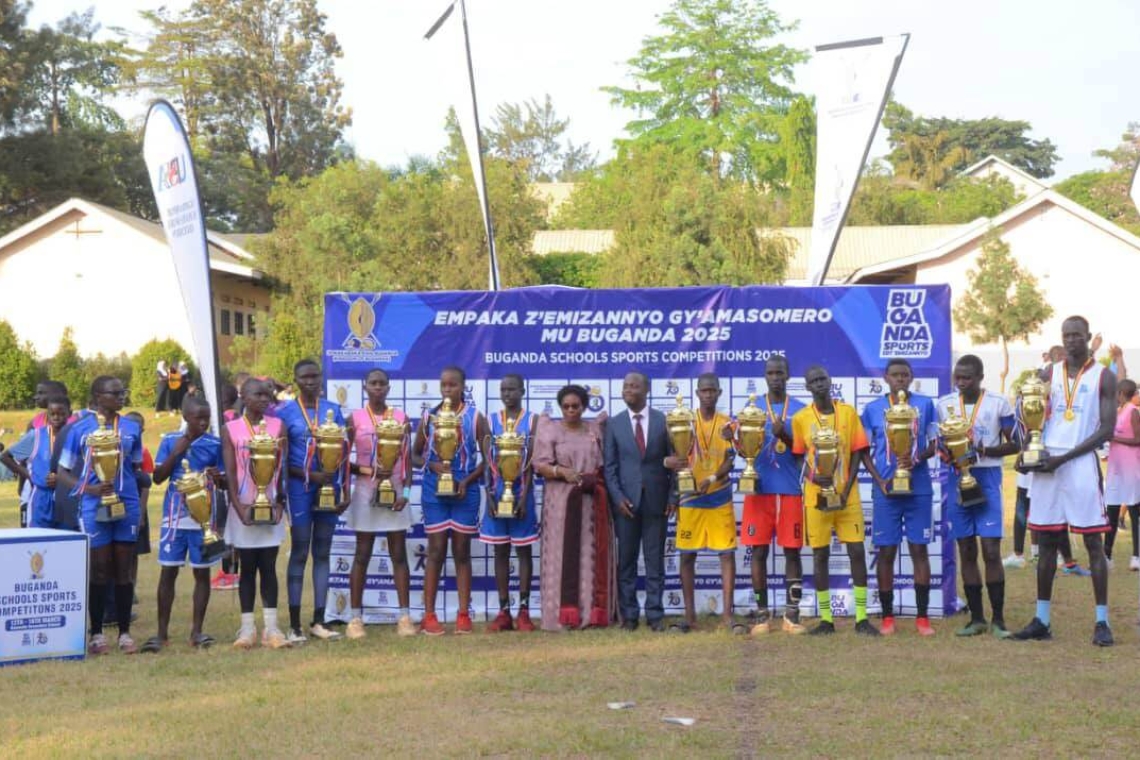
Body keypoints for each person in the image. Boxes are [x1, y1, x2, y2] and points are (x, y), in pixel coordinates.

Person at [1014, 315, 1116, 646]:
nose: (1071, 339)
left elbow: (1106, 430)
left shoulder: (1103, 376)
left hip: (1080, 463)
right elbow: (1033, 419)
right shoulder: (1049, 373)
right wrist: (1026, 451)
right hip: (1047, 463)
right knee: (1045, 543)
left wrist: (1065, 457)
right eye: (1066, 335)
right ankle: (1042, 619)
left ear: (1088, 336)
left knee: (1093, 544)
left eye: (1076, 334)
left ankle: (1102, 622)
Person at [57, 376, 144, 654]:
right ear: (97, 396)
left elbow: (137, 467)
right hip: (94, 506)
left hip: (126, 505)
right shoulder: (78, 429)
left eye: (122, 391)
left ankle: (124, 633)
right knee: (100, 569)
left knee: (123, 569)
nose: (121, 396)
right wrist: (89, 488)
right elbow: (62, 472)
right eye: (115, 393)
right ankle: (96, 634)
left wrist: (139, 506)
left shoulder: (131, 427)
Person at [792, 365, 879, 636]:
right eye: (813, 381)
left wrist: (845, 490)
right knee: (820, 555)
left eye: (822, 379)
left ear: (830, 381)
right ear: (807, 387)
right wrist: (813, 478)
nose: (819, 384)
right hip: (815, 498)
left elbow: (857, 454)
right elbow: (797, 456)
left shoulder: (848, 413)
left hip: (847, 497)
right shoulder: (801, 418)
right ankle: (826, 620)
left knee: (856, 552)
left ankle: (862, 618)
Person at [936, 355, 1018, 638]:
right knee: (967, 550)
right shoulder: (944, 405)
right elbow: (939, 443)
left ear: (981, 376)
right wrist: (948, 454)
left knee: (991, 551)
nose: (961, 382)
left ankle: (999, 619)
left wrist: (985, 451)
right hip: (957, 479)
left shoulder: (998, 402)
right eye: (957, 377)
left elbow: (1016, 443)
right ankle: (977, 618)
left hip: (987, 476)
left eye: (967, 377)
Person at [860, 358, 939, 636]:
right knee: (886, 551)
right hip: (886, 491)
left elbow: (934, 442)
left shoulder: (926, 405)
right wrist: (879, 480)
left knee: (919, 549)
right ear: (886, 378)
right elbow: (863, 450)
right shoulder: (872, 409)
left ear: (912, 377)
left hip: (918, 488)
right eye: (895, 375)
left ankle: (922, 617)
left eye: (905, 375)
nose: (901, 380)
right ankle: (888, 616)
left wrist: (915, 458)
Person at [141, 396, 226, 652]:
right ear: (186, 417)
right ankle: (161, 634)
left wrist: (217, 477)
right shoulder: (169, 441)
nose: (203, 422)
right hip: (175, 517)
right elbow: (157, 477)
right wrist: (177, 452)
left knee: (202, 573)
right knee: (168, 572)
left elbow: (225, 482)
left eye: (207, 417)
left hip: (203, 519)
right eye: (198, 417)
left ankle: (197, 632)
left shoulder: (214, 443)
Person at [413, 365, 488, 635]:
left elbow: (488, 459)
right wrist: (432, 467)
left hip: (465, 491)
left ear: (463, 387)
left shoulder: (476, 417)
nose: (447, 389)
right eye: (444, 385)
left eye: (453, 385)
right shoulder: (429, 417)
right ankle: (429, 615)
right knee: (435, 551)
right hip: (435, 491)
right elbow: (415, 455)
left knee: (461, 552)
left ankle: (463, 614)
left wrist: (466, 482)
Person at [278, 359, 348, 643]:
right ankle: (294, 625)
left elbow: (342, 453)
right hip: (300, 488)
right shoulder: (285, 413)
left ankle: (319, 620)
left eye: (314, 376)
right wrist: (309, 474)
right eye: (304, 377)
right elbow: (282, 458)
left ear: (321, 378)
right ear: (295, 381)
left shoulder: (334, 410)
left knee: (323, 552)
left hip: (329, 487)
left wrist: (343, 489)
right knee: (299, 551)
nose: (310, 382)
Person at [533, 384, 614, 630]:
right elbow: (539, 465)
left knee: (590, 554)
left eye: (575, 406)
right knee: (561, 555)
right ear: (560, 407)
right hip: (561, 504)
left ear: (584, 406)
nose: (571, 410)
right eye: (566, 406)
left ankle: (592, 614)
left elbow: (605, 464)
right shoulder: (550, 430)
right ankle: (561, 616)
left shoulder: (595, 429)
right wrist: (560, 471)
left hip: (593, 502)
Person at [344, 368, 416, 639]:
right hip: (365, 493)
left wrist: (406, 495)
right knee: (362, 554)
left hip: (395, 493)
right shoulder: (355, 418)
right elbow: (342, 461)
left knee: (399, 555)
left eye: (382, 383)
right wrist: (367, 470)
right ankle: (354, 619)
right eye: (372, 383)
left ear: (388, 387)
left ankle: (405, 617)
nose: (377, 387)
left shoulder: (401, 418)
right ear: (365, 387)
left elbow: (407, 462)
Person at [669, 373, 741, 633]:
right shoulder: (684, 421)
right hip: (690, 498)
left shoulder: (728, 424)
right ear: (697, 393)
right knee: (687, 555)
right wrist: (669, 463)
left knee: (727, 555)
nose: (708, 394)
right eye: (704, 390)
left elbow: (732, 460)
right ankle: (689, 618)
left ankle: (727, 617)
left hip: (719, 496)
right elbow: (673, 456)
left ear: (719, 393)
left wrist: (711, 477)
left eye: (713, 390)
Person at [222, 378, 290, 649]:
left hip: (270, 505)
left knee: (269, 567)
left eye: (268, 394)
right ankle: (247, 628)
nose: (264, 399)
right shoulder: (231, 429)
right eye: (258, 394)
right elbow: (229, 472)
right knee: (247, 568)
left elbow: (282, 469)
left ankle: (272, 629)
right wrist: (238, 509)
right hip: (243, 506)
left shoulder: (277, 426)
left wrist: (280, 505)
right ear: (243, 396)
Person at [604, 371, 675, 632]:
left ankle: (655, 614)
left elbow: (674, 464)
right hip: (626, 505)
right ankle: (630, 615)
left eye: (634, 386)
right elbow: (609, 467)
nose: (628, 390)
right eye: (625, 386)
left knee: (655, 562)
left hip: (657, 501)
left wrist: (673, 496)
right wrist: (618, 498)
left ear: (647, 390)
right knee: (627, 562)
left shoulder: (662, 421)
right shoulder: (614, 424)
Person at [740, 356, 806, 635]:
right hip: (759, 490)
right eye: (770, 373)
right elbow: (742, 451)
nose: (775, 377)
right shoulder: (751, 410)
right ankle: (762, 615)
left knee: (792, 551)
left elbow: (804, 452)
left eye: (780, 372)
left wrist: (786, 436)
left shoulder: (802, 411)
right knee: (758, 552)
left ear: (788, 374)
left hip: (790, 490)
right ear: (764, 376)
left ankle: (792, 615)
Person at [479, 374, 539, 633]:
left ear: (522, 391)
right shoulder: (491, 421)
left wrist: (524, 498)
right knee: (500, 551)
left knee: (523, 552)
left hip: (522, 495)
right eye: (504, 389)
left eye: (512, 389)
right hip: (496, 494)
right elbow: (486, 462)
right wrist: (490, 496)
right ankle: (503, 611)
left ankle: (524, 611)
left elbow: (532, 464)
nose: (507, 394)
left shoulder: (533, 420)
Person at [0, 394, 71, 528]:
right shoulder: (36, 436)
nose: (56, 417)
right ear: (47, 415)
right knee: (40, 543)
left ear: (70, 414)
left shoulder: (76, 436)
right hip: (41, 498)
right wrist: (30, 476)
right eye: (52, 414)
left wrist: (63, 480)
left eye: (61, 414)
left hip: (67, 498)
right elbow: (5, 456)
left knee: (66, 542)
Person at [1105, 378, 1140, 570]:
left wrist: (1115, 438)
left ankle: (1136, 556)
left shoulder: (1133, 412)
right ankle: (1107, 555)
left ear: (1121, 393)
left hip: (1131, 468)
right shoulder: (1117, 412)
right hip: (1115, 469)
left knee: (1135, 512)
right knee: (1111, 511)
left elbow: (1138, 439)